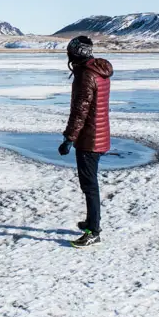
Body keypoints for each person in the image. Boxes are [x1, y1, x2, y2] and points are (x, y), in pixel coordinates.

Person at [58, 36, 114, 247]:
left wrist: (69, 138)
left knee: (89, 185)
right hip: (100, 133)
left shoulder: (85, 75)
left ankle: (93, 231)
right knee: (90, 183)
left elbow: (80, 110)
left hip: (89, 138)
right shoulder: (99, 71)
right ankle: (91, 221)